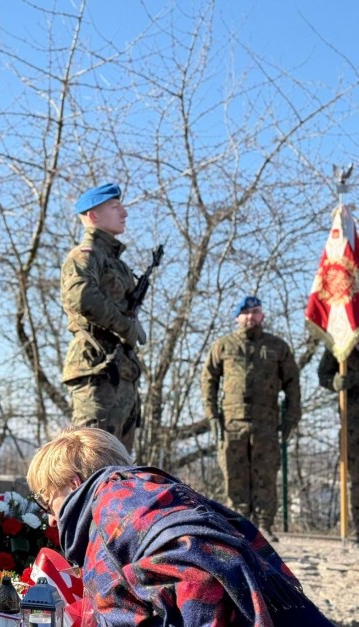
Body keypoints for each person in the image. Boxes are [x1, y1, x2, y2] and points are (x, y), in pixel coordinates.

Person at [26, 426, 333, 626]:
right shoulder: (159, 492)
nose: (52, 519)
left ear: (74, 483)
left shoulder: (108, 512)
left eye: (48, 502)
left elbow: (116, 611)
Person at [202, 295, 301, 540]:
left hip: (266, 423)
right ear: (237, 317)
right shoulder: (224, 346)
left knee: (266, 474)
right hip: (232, 424)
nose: (251, 316)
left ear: (262, 315)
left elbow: (292, 384)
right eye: (245, 312)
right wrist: (213, 416)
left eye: (255, 311)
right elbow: (208, 381)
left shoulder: (277, 347)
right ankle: (237, 525)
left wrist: (291, 418)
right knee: (235, 476)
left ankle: (265, 525)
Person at [60, 183, 144, 452]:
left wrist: (130, 326)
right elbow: (81, 297)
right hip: (96, 367)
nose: (124, 213)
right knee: (93, 460)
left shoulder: (117, 264)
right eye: (114, 206)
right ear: (93, 216)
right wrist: (126, 326)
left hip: (121, 371)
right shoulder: (85, 256)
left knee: (121, 464)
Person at [317, 347, 359, 542]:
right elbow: (323, 374)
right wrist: (335, 382)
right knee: (357, 477)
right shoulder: (341, 340)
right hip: (353, 423)